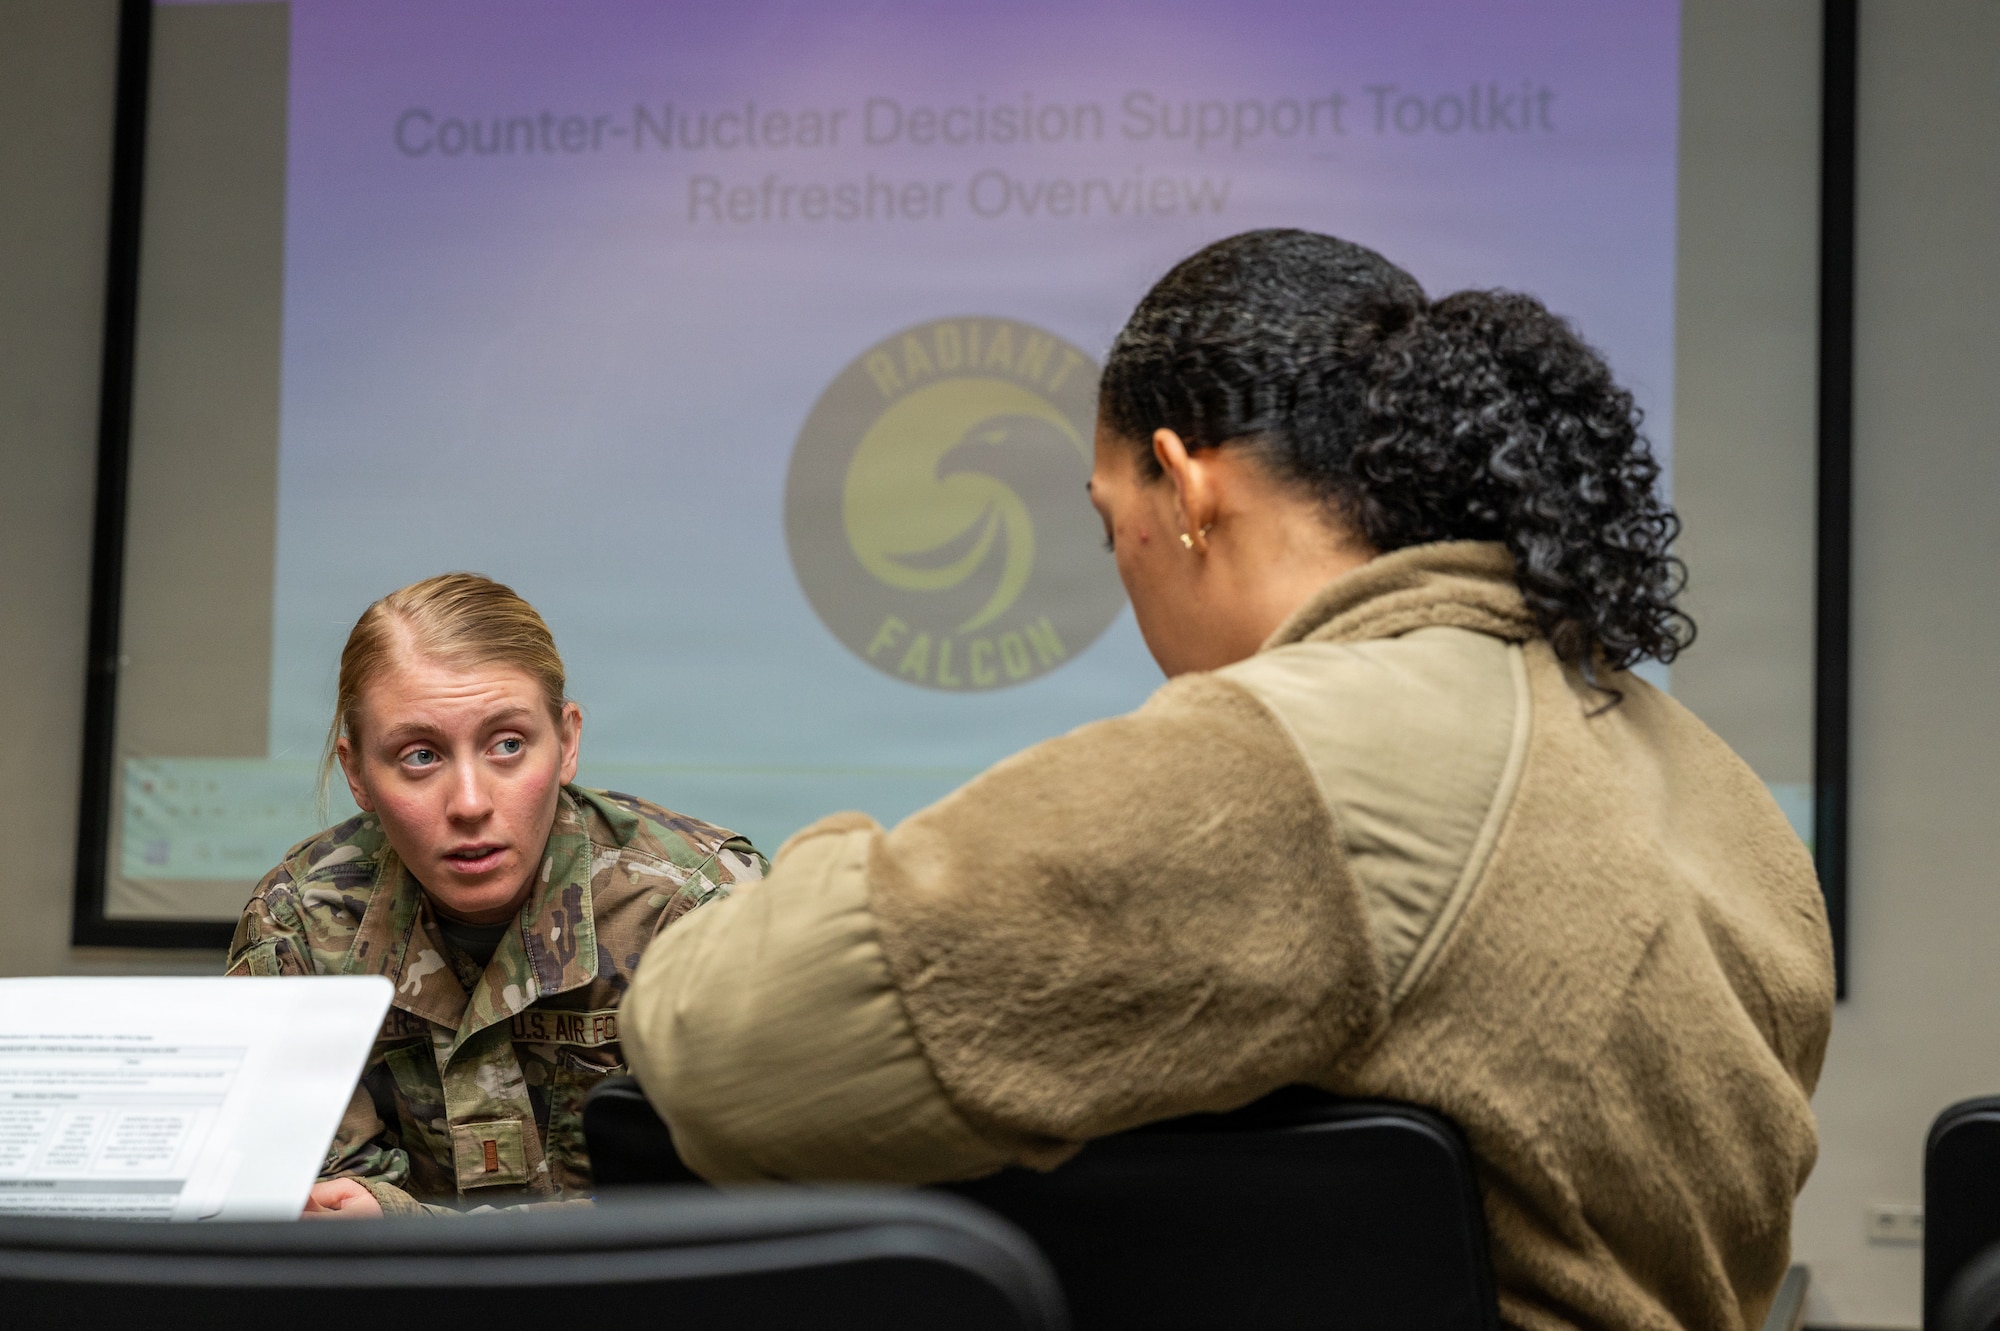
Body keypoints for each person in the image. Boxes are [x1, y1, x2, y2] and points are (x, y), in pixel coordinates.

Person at [620, 230, 1835, 1330]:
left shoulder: (1296, 753)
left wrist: (827, 859)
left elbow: (728, 1048)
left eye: (1110, 526)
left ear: (1184, 487)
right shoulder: (1694, 768)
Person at [226, 573, 764, 1216]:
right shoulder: (300, 925)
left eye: (508, 745)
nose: (471, 804)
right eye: (420, 756)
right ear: (357, 774)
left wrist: (410, 1230)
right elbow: (315, 1189)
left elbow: (743, 1196)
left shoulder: (702, 909)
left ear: (566, 744)